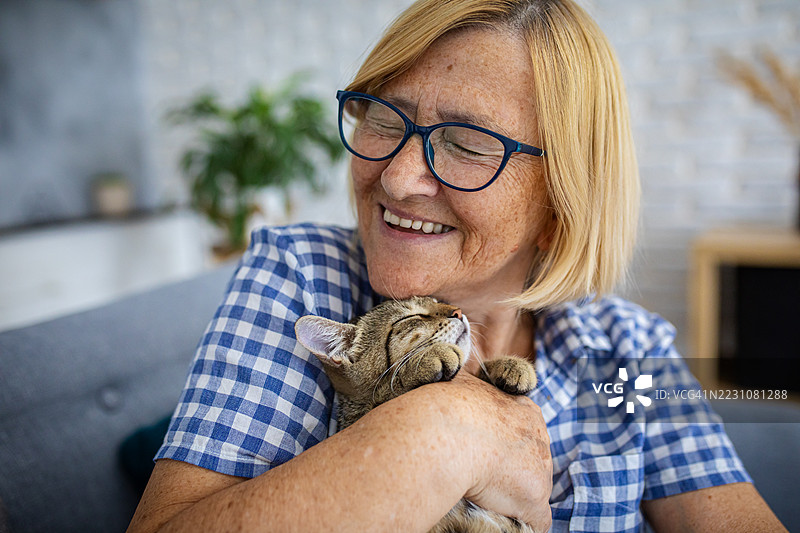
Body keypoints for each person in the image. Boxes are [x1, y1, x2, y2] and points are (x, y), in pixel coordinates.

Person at [128, 1, 787, 531]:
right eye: (387, 117)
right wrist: (450, 428)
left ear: (561, 202)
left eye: (467, 144)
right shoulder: (303, 274)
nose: (397, 178)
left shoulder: (628, 350)